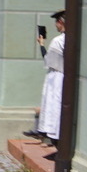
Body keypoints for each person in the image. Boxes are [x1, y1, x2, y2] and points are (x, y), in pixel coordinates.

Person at [26, 10, 66, 147]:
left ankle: (52, 139)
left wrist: (42, 45)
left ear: (60, 22)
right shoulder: (72, 39)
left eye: (56, 22)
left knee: (53, 109)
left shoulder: (58, 41)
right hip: (64, 78)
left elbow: (48, 60)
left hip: (56, 79)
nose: (55, 25)